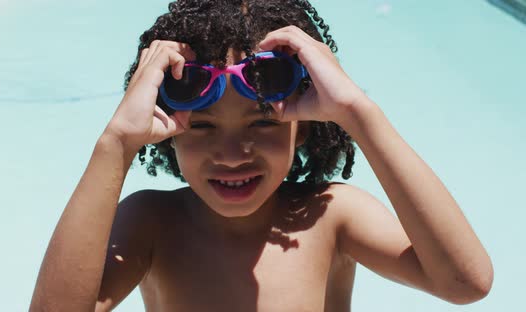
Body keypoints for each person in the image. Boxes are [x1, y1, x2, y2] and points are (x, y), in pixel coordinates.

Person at [30, 1, 493, 311]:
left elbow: (465, 282)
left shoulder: (329, 218)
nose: (232, 154)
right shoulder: (153, 223)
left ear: (306, 123)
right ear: (168, 131)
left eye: (263, 122)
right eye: (205, 125)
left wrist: (359, 113)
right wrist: (115, 144)